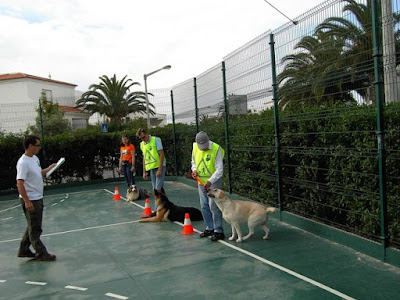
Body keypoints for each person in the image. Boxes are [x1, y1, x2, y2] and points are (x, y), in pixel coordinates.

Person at [16, 135, 57, 261]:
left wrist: (49, 169)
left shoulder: (34, 159)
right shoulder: (23, 162)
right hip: (31, 199)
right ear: (30, 146)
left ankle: (23, 249)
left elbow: (38, 173)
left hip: (37, 197)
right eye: (37, 145)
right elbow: (20, 183)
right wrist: (27, 201)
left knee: (31, 225)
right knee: (35, 228)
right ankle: (41, 252)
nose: (39, 148)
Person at [191, 131, 225, 241]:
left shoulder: (216, 149)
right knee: (204, 205)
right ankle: (209, 227)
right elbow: (193, 161)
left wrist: (210, 181)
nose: (202, 149)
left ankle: (218, 230)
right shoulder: (195, 147)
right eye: (201, 147)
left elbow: (219, 169)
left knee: (213, 206)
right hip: (201, 182)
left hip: (213, 182)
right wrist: (194, 170)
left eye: (204, 147)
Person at [136, 128, 166, 212]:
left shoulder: (156, 140)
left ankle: (157, 210)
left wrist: (160, 169)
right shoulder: (142, 144)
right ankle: (164, 205)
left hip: (160, 166)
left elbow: (161, 155)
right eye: (141, 138)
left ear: (147, 134)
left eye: (143, 137)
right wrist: (144, 171)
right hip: (151, 168)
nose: (143, 139)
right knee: (155, 189)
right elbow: (144, 158)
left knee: (157, 188)